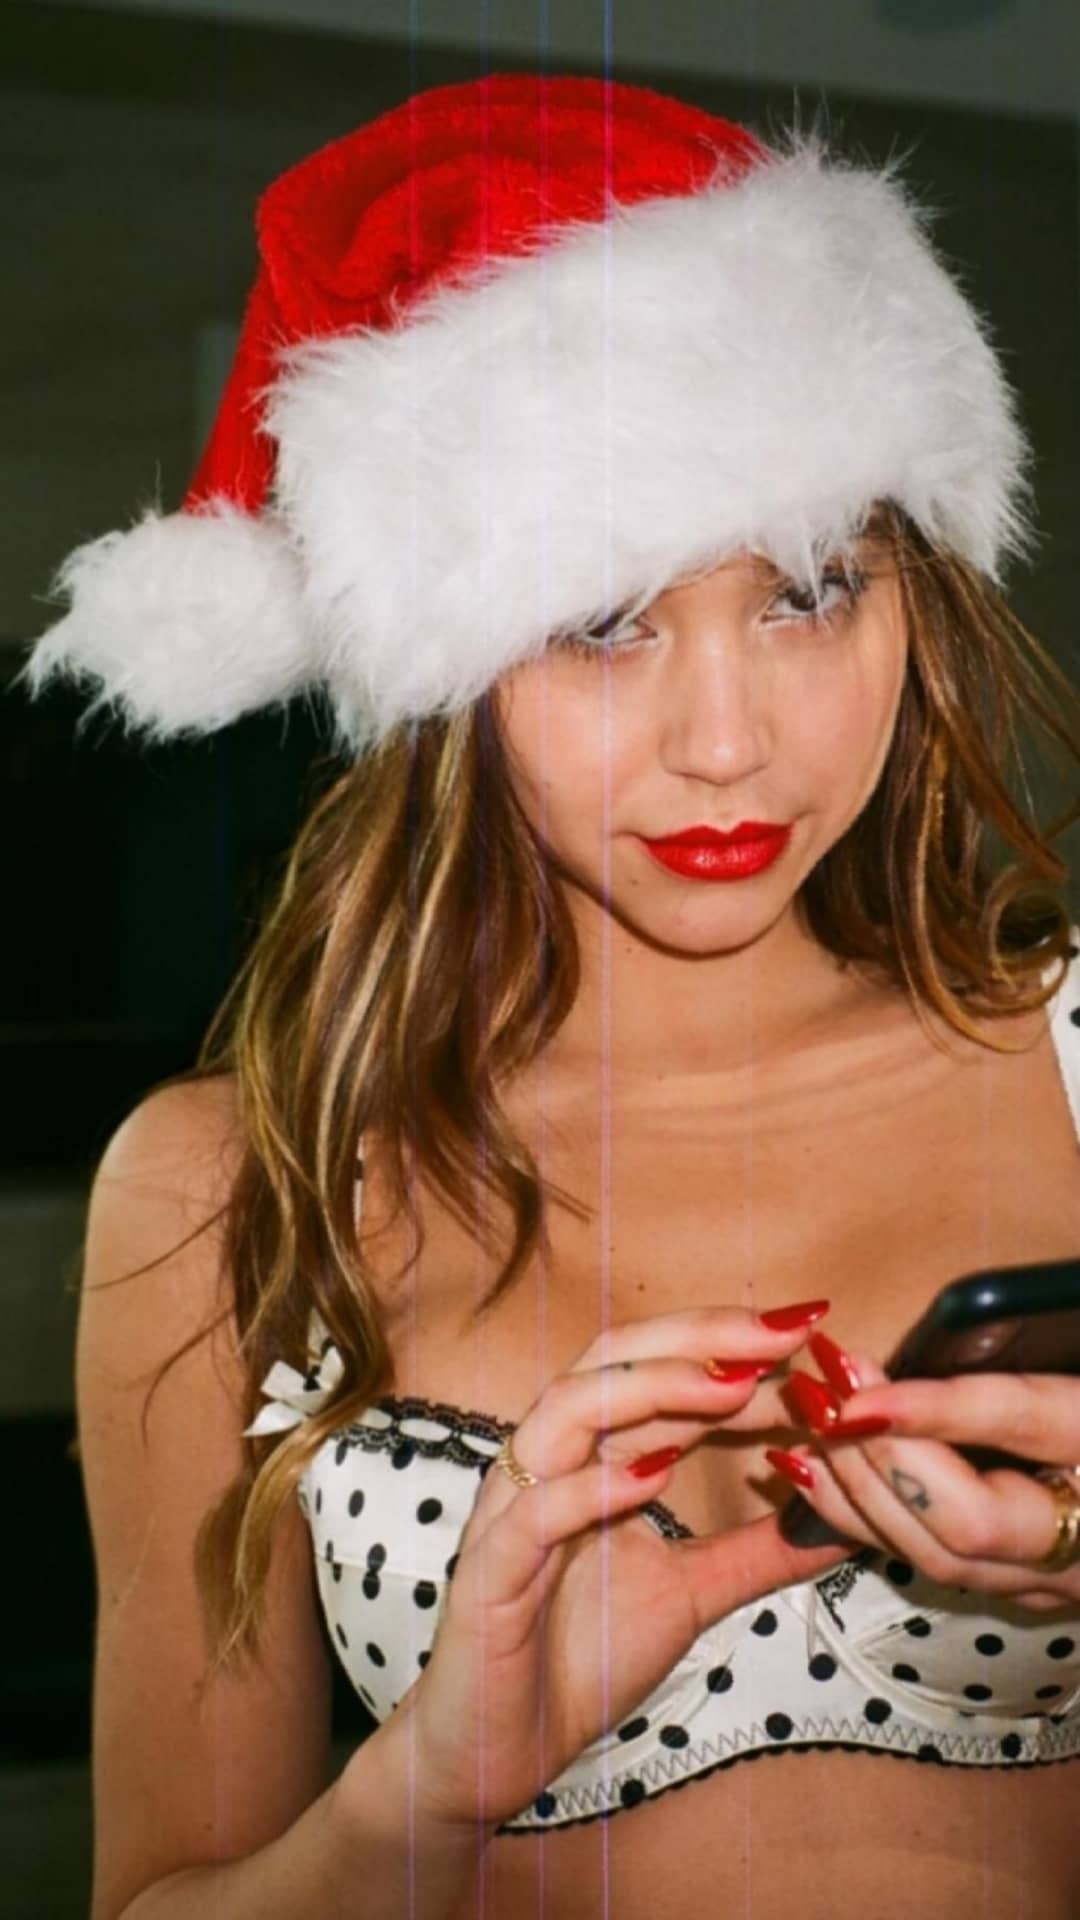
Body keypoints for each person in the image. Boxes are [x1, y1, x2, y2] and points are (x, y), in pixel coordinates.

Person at [20, 71, 1080, 1920]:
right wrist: (424, 1792)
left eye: (810, 592)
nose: (729, 741)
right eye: (599, 622)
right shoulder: (221, 1192)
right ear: (442, 666)